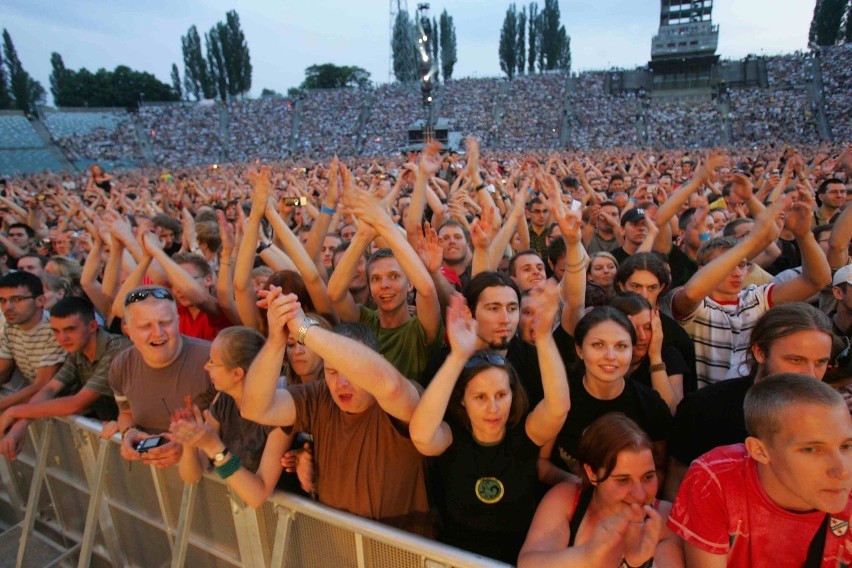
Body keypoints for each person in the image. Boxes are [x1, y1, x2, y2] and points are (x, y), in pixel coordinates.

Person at [240, 286, 433, 535]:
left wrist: (303, 328)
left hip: (399, 553)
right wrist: (277, 340)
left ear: (378, 362)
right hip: (336, 551)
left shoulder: (400, 395)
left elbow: (393, 388)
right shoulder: (318, 395)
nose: (341, 383)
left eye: (351, 372)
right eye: (332, 371)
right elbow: (255, 408)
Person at [409, 290, 570, 563]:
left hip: (515, 558)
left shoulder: (525, 434)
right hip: (456, 558)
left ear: (513, 395)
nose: (492, 408)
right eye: (480, 397)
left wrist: (543, 338)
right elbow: (422, 435)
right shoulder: (452, 437)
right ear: (462, 400)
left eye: (501, 395)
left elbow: (558, 408)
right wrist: (458, 357)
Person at [668, 373, 852, 566]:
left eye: (846, 446)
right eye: (811, 449)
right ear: (759, 451)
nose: (842, 471)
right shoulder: (716, 479)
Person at [664, 302, 837, 499]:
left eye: (820, 362)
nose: (810, 375)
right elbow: (678, 484)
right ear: (760, 352)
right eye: (795, 360)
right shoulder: (704, 407)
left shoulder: (833, 417)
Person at [670, 196, 831, 387]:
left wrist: (804, 235)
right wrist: (751, 240)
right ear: (702, 269)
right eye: (726, 265)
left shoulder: (756, 297)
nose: (737, 272)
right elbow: (690, 294)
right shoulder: (697, 304)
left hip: (757, 397)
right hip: (710, 405)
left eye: (742, 265)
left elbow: (817, 280)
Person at [518, 413, 683, 567]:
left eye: (648, 477)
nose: (640, 494)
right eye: (623, 480)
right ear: (592, 473)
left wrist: (639, 564)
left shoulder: (665, 520)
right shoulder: (567, 500)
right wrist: (586, 556)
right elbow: (528, 563)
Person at [170, 326, 291, 508]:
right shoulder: (224, 399)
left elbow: (257, 495)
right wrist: (190, 441)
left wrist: (214, 447)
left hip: (280, 522)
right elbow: (191, 475)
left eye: (213, 362)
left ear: (237, 373)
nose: (206, 366)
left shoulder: (280, 410)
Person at [545, 306, 671, 477]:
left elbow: (660, 468)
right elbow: (541, 463)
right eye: (598, 345)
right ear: (580, 350)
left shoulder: (650, 404)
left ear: (631, 350)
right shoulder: (559, 399)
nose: (610, 356)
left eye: (621, 346)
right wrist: (583, 488)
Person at [0, 296, 129, 459]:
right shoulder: (77, 350)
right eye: (56, 331)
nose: (62, 338)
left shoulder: (117, 349)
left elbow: (77, 402)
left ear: (92, 325)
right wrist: (22, 423)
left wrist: (15, 411)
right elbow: (50, 388)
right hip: (115, 433)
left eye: (70, 329)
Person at [105, 286, 215, 469]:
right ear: (128, 331)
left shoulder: (212, 362)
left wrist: (188, 450)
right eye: (145, 326)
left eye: (165, 322)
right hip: (151, 481)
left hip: (213, 483)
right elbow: (125, 413)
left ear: (178, 322)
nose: (158, 333)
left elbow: (235, 435)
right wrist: (128, 433)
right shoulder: (121, 365)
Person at [608, 293, 688, 412]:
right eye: (633, 328)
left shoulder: (669, 355)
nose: (642, 336)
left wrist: (655, 357)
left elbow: (672, 411)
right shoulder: (606, 357)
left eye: (648, 327)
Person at [0, 272, 66, 412]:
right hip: (39, 408)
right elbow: (3, 371)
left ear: (40, 301)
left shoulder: (54, 329)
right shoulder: (11, 326)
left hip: (67, 408)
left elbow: (42, 385)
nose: (7, 307)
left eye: (16, 299)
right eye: (2, 300)